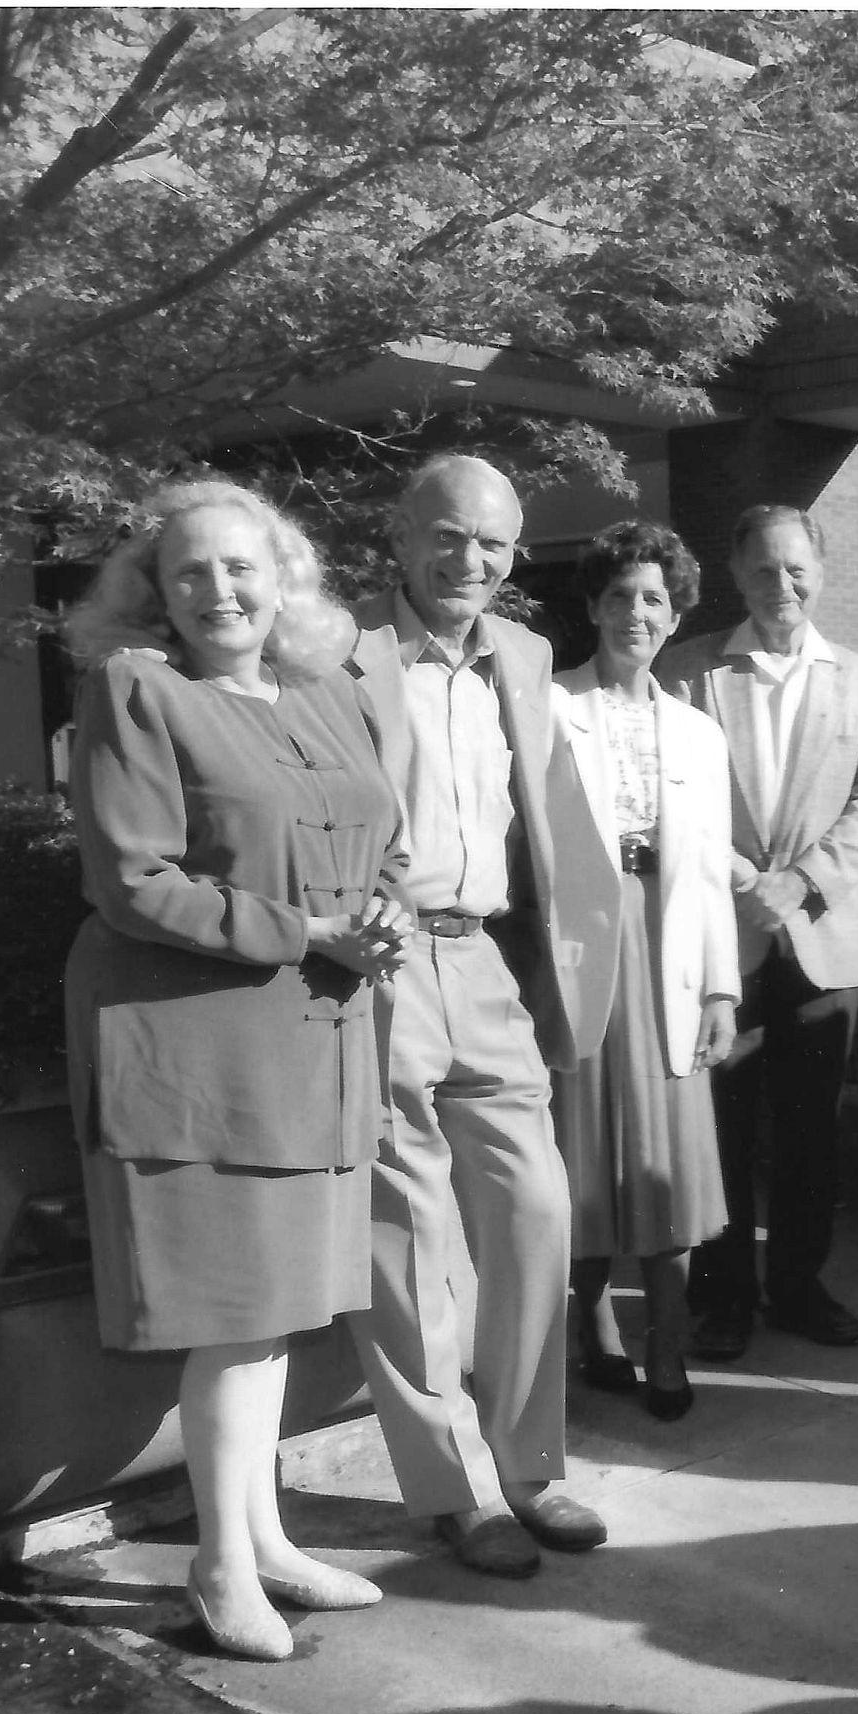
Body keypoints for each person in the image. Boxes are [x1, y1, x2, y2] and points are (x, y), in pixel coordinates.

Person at [61, 479, 402, 1661]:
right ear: (155, 592)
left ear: (285, 577)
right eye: (190, 572)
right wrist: (313, 934)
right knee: (236, 1319)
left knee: (279, 1315)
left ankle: (265, 1538)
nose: (219, 591)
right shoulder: (136, 688)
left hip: (314, 1040)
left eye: (241, 567)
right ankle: (217, 1565)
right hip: (198, 1045)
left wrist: (382, 915)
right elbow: (134, 879)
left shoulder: (320, 694)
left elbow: (376, 842)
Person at [343, 454, 623, 1579]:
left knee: (537, 1211)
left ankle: (530, 1461)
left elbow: (547, 818)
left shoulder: (526, 652)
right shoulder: (339, 651)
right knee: (407, 1239)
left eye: (495, 545)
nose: (471, 561)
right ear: (402, 539)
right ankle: (460, 1489)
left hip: (487, 960)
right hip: (386, 963)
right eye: (449, 536)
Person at [658, 505, 858, 1356]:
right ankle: (721, 1297)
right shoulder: (688, 673)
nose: (782, 586)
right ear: (738, 574)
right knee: (720, 1130)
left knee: (812, 1138)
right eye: (764, 570)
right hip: (722, 942)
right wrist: (742, 881)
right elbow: (668, 795)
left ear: (822, 571)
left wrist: (797, 885)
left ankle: (799, 1287)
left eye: (797, 569)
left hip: (819, 940)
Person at [548, 521, 740, 1422]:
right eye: (619, 594)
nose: (636, 612)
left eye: (654, 598)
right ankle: (598, 1336)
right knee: (581, 1160)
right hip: (584, 952)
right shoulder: (549, 708)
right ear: (592, 606)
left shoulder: (699, 731)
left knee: (671, 1165)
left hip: (670, 939)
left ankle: (668, 1344)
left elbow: (708, 869)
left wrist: (721, 988)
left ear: (675, 617)